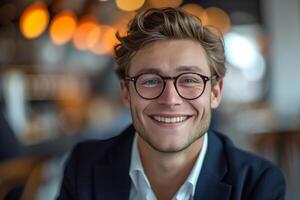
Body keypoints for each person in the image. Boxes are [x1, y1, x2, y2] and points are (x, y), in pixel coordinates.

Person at [57, 7, 286, 200]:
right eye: (150, 81)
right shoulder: (84, 166)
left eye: (189, 80)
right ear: (126, 92)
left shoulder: (258, 184)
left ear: (215, 93)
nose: (170, 99)